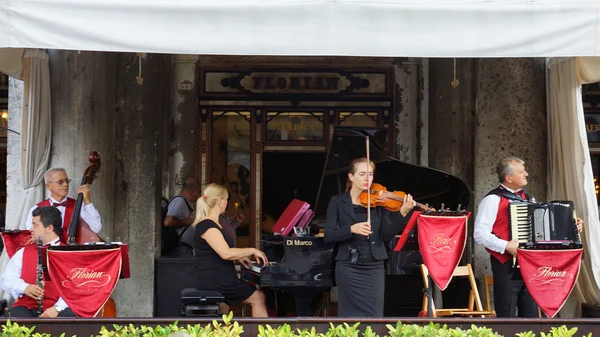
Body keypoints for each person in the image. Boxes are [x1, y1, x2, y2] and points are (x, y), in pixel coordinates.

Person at [474, 156, 583, 318]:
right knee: (507, 315)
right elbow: (479, 234)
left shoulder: (528, 199)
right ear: (508, 178)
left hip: (531, 265)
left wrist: (571, 225)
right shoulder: (492, 200)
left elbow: (545, 226)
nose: (526, 174)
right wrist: (506, 246)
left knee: (531, 315)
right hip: (506, 266)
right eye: (521, 171)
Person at [324, 157, 416, 317]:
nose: (368, 178)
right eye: (362, 174)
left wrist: (402, 213)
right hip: (348, 267)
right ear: (351, 176)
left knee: (374, 315)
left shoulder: (379, 202)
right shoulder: (338, 202)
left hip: (374, 267)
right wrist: (351, 229)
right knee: (348, 316)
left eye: (370, 174)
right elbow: (329, 235)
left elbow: (387, 236)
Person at [192, 183, 269, 317]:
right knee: (258, 297)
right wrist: (252, 250)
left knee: (228, 304)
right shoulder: (208, 225)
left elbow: (216, 250)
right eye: (227, 200)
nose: (227, 203)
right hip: (216, 281)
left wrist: (238, 256)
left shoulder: (214, 224)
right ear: (220, 201)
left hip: (218, 278)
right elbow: (225, 253)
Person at [1, 206, 77, 317]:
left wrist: (58, 308)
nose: (30, 229)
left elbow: (76, 288)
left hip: (60, 307)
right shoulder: (23, 252)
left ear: (49, 228)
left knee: (71, 320)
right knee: (15, 320)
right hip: (27, 307)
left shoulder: (71, 254)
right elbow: (6, 279)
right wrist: (25, 287)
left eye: (35, 225)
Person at [25, 168, 102, 244]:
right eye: (60, 182)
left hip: (73, 253)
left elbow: (96, 227)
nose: (65, 184)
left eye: (67, 181)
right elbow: (34, 235)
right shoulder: (36, 209)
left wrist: (87, 201)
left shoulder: (79, 205)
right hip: (48, 252)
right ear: (49, 186)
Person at [164, 177, 201, 257]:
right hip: (181, 248)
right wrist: (189, 221)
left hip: (185, 248)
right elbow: (168, 222)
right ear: (194, 190)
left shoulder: (183, 202)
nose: (199, 196)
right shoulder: (179, 201)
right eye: (199, 192)